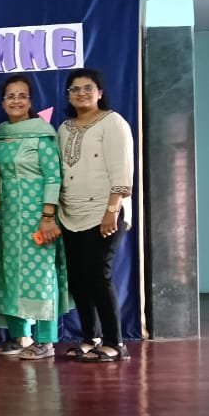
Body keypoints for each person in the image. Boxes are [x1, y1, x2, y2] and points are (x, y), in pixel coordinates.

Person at [0, 76, 71, 361]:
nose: (16, 101)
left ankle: (46, 340)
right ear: (3, 102)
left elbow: (53, 177)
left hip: (38, 218)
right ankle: (19, 336)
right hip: (5, 219)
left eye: (22, 95)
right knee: (8, 274)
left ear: (30, 101)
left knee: (42, 277)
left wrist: (48, 216)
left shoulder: (42, 135)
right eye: (10, 96)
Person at [57, 67, 134, 363]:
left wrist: (112, 210)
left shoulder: (113, 122)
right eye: (74, 89)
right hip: (70, 213)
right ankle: (91, 337)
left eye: (87, 88)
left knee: (99, 275)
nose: (81, 93)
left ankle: (116, 343)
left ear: (99, 92)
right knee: (78, 278)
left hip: (104, 212)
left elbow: (122, 170)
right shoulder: (65, 128)